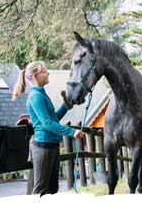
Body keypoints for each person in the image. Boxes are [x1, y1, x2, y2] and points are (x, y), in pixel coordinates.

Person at [13, 61, 85, 196]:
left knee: (53, 188)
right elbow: (47, 123)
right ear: (35, 75)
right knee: (40, 191)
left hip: (52, 146)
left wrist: (66, 105)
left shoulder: (42, 94)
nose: (48, 73)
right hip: (42, 147)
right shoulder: (36, 97)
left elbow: (53, 118)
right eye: (44, 72)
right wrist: (72, 131)